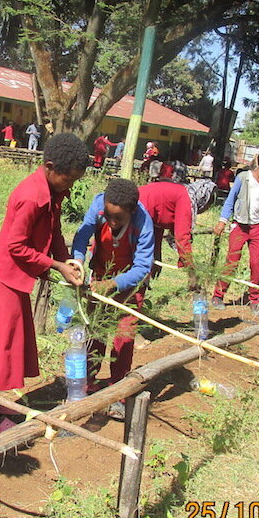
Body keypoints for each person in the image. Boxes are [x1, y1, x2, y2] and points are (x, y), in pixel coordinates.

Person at [0, 133, 88, 435]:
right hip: (2, 278)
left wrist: (67, 260)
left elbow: (54, 232)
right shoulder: (32, 196)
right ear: (49, 167)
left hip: (16, 278)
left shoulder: (52, 192)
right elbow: (16, 246)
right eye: (68, 179)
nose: (70, 186)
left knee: (10, 346)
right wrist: (56, 265)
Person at [71, 178, 154, 417]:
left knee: (123, 338)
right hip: (99, 278)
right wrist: (78, 261)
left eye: (119, 218)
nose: (112, 222)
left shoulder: (143, 222)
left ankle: (119, 391)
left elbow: (142, 266)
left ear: (132, 211)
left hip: (129, 287)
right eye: (108, 216)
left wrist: (114, 284)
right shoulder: (99, 206)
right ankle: (87, 381)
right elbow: (82, 236)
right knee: (95, 330)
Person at [211, 148, 259, 317]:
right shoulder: (243, 178)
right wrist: (223, 220)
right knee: (232, 261)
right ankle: (218, 294)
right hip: (240, 227)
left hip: (257, 229)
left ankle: (255, 299)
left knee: (255, 264)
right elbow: (231, 200)